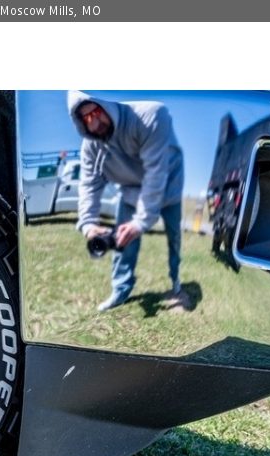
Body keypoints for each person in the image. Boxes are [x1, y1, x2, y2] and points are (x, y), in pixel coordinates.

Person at [67, 91, 187, 311]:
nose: (93, 123)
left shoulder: (151, 115)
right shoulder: (90, 147)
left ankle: (176, 279)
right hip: (131, 191)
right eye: (86, 118)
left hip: (168, 188)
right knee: (122, 242)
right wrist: (88, 224)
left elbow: (155, 172)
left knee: (174, 238)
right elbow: (89, 185)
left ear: (106, 103)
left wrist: (140, 223)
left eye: (96, 111)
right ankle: (120, 289)